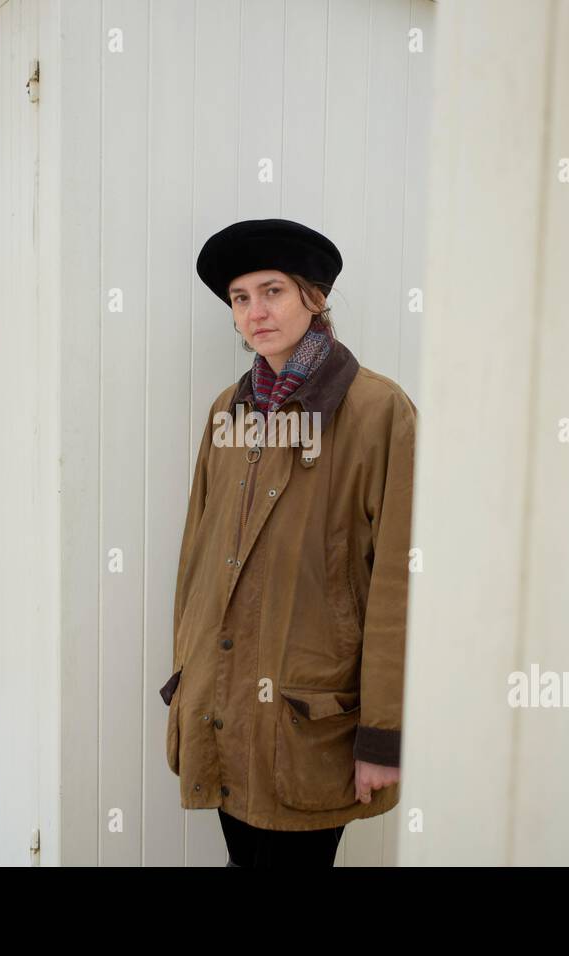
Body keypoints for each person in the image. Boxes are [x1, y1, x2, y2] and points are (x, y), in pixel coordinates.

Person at [159, 218, 416, 867]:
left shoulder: (379, 411)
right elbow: (198, 556)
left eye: (272, 291)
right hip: (222, 704)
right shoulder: (230, 410)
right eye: (240, 298)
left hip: (308, 718)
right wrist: (189, 678)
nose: (255, 312)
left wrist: (383, 734)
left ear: (314, 296)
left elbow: (401, 582)